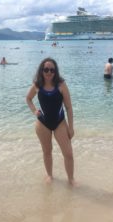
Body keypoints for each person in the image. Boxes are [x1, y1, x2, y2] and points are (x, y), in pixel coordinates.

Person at [26, 58, 75, 186]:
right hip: (43, 123)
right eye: (46, 69)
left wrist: (71, 127)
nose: (49, 72)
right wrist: (34, 111)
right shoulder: (37, 85)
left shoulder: (61, 84)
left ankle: (71, 180)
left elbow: (69, 107)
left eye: (52, 70)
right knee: (47, 151)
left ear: (55, 71)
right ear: (41, 71)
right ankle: (49, 175)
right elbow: (28, 98)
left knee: (68, 154)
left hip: (59, 122)